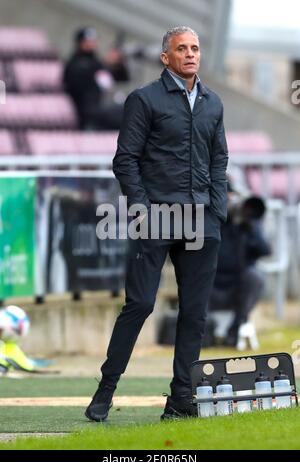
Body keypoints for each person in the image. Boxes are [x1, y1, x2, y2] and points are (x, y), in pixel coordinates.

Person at [85, 26, 228, 422]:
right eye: (181, 49)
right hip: (157, 218)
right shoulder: (143, 100)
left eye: (195, 48)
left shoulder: (213, 103)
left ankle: (181, 399)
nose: (190, 54)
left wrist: (217, 208)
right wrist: (143, 210)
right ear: (165, 57)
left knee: (195, 313)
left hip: (202, 220)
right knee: (141, 304)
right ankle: (105, 389)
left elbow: (219, 159)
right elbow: (125, 159)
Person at [209, 194, 272, 347]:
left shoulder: (247, 228)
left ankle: (235, 329)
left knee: (255, 277)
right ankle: (204, 334)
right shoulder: (215, 222)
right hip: (211, 287)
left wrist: (251, 227)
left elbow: (265, 250)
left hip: (236, 289)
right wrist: (224, 216)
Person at [63, 27, 127, 130]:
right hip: (86, 113)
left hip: (99, 108)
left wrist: (118, 65)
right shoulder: (75, 63)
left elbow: (122, 78)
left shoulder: (94, 61)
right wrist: (105, 64)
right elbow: (83, 82)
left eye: (93, 41)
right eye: (88, 41)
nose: (92, 44)